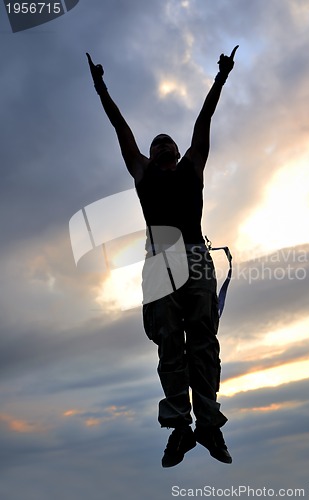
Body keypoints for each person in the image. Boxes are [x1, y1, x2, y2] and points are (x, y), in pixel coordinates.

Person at [86, 45, 238, 467]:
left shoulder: (193, 167)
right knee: (169, 342)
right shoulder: (142, 174)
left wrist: (220, 79)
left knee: (203, 341)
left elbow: (204, 120)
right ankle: (180, 429)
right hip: (160, 263)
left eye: (166, 140)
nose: (161, 144)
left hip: (194, 257)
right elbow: (120, 127)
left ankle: (209, 424)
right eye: (155, 143)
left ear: (177, 150)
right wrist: (101, 90)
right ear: (149, 156)